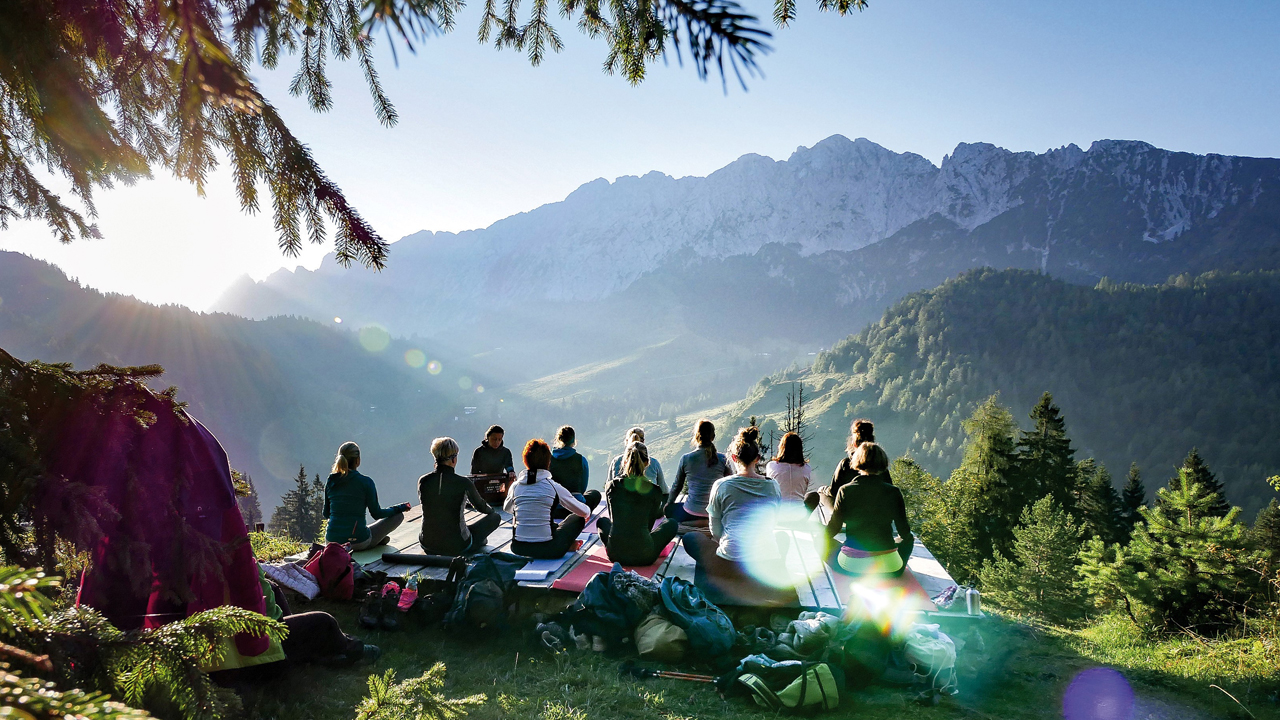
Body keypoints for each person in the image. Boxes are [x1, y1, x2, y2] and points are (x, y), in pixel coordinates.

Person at [681, 426, 796, 607]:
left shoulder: (721, 485)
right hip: (764, 567)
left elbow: (715, 530)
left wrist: (725, 543)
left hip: (729, 565)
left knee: (690, 538)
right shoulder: (772, 486)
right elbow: (772, 524)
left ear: (733, 458)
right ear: (757, 459)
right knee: (782, 538)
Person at [823, 442, 913, 576]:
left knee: (821, 540)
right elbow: (904, 532)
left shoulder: (845, 490)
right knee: (909, 539)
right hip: (890, 568)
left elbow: (834, 528)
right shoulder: (893, 492)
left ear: (856, 461)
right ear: (883, 462)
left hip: (851, 566)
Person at [505, 439, 601, 559]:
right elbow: (584, 512)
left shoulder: (516, 486)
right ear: (548, 462)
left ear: (525, 461)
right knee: (577, 518)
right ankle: (567, 544)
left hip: (518, 548)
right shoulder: (552, 486)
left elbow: (507, 508)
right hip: (550, 549)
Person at [418, 437, 502, 555]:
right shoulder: (463, 482)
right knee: (495, 517)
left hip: (427, 543)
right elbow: (482, 507)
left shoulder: (423, 481)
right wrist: (491, 510)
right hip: (458, 545)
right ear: (453, 459)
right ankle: (479, 541)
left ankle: (478, 540)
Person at [598, 442, 678, 566]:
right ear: (647, 463)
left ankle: (613, 546)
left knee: (602, 521)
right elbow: (649, 526)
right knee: (672, 523)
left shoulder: (611, 486)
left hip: (615, 554)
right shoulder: (654, 490)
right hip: (644, 555)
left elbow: (613, 518)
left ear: (624, 462)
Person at [323, 442, 408, 550]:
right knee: (398, 516)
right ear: (357, 461)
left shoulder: (331, 481)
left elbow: (326, 514)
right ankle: (375, 540)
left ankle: (376, 539)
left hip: (331, 542)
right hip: (357, 542)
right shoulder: (366, 482)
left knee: (364, 530)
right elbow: (377, 514)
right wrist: (401, 507)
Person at [666, 419, 731, 525]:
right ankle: (707, 522)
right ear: (713, 437)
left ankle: (693, 523)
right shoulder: (723, 458)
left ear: (696, 436)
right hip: (715, 513)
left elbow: (677, 486)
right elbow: (730, 483)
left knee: (669, 510)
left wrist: (668, 503)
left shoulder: (686, 458)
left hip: (690, 513)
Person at [806, 418, 876, 513]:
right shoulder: (879, 466)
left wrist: (823, 489)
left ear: (854, 443)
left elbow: (834, 491)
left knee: (821, 494)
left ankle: (833, 523)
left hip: (848, 511)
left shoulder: (846, 464)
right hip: (874, 509)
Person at [609, 426, 667, 493]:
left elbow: (609, 488)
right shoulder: (653, 463)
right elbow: (664, 490)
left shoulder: (616, 461)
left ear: (626, 441)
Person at [766, 432, 813, 503]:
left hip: (778, 509)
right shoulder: (807, 468)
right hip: (799, 509)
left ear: (782, 447)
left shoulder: (771, 466)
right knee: (814, 496)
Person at [549, 425, 590, 495]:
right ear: (573, 440)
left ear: (558, 439)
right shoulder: (581, 460)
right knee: (594, 494)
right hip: (575, 499)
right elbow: (583, 487)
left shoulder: (548, 460)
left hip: (555, 499)